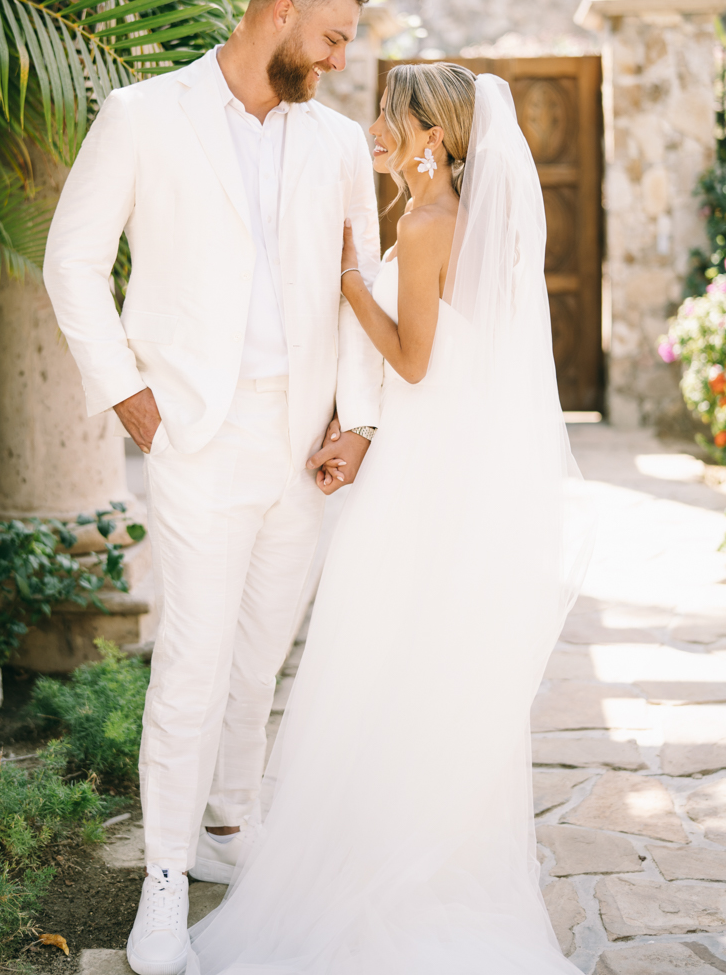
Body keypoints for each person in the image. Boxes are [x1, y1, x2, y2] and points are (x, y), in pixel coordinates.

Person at [188, 64, 593, 975]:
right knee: (413, 653)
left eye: (389, 119)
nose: (374, 129)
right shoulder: (454, 223)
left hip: (419, 472)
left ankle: (373, 862)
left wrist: (347, 282)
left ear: (433, 141)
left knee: (376, 650)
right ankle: (421, 838)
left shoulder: (422, 224)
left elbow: (413, 359)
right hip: (429, 456)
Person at [42, 0, 384, 975]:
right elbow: (72, 259)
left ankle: (233, 825)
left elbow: (358, 279)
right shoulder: (144, 116)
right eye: (331, 37)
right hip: (192, 434)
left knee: (258, 654)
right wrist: (130, 399)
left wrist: (357, 420)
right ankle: (162, 878)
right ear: (277, 13)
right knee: (191, 666)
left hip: (303, 446)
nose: (336, 61)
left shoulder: (332, 144)